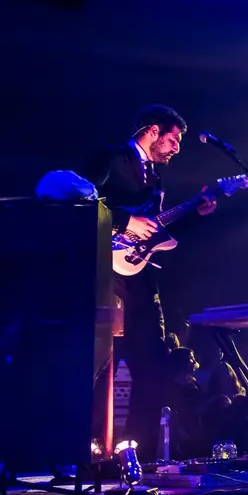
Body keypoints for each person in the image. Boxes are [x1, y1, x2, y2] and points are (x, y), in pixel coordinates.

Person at [83, 104, 216, 448]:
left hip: (141, 281)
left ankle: (134, 453)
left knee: (153, 367)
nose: (177, 148)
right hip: (104, 276)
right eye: (173, 139)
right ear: (153, 131)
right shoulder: (110, 158)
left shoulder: (155, 179)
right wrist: (124, 222)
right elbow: (81, 203)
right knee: (100, 367)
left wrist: (195, 213)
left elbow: (154, 233)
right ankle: (89, 449)